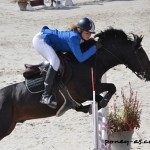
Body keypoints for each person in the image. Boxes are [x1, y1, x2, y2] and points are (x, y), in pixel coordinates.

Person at [33, 17, 97, 109]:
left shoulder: (79, 36)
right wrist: (94, 49)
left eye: (90, 34)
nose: (89, 36)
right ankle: (45, 95)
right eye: (87, 33)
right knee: (55, 62)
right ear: (79, 30)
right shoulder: (74, 37)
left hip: (49, 41)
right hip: (40, 41)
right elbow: (81, 58)